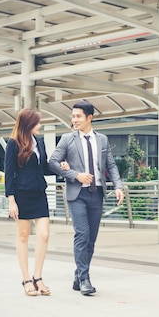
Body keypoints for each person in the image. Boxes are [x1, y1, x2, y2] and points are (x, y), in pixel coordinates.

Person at [48, 101, 124, 296]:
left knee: (91, 240)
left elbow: (111, 165)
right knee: (81, 235)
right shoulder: (67, 139)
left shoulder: (103, 140)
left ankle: (78, 274)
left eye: (78, 116)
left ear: (90, 117)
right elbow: (53, 162)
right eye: (73, 116)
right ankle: (84, 279)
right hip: (77, 194)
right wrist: (75, 175)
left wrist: (118, 186)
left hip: (97, 194)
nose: (74, 120)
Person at [5, 108, 68, 296]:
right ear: (28, 124)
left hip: (39, 194)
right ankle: (26, 279)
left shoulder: (38, 142)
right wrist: (11, 201)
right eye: (37, 123)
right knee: (23, 236)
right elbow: (9, 173)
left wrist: (61, 168)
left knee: (44, 234)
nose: (39, 126)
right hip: (21, 195)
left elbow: (44, 168)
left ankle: (37, 276)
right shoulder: (13, 143)